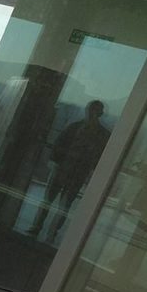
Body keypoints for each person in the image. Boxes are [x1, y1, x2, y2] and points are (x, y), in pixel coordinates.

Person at [28, 100, 111, 242]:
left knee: (58, 203)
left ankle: (43, 229)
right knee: (58, 203)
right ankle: (46, 230)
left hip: (71, 171)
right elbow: (60, 143)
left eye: (93, 110)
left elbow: (60, 143)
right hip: (68, 170)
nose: (91, 113)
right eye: (91, 110)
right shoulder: (99, 134)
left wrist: (55, 160)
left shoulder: (79, 128)